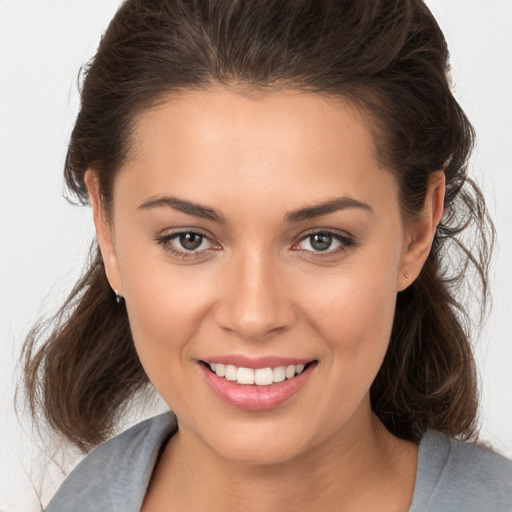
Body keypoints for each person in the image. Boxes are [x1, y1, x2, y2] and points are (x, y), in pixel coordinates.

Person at [20, 0, 512, 510]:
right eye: (189, 239)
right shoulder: (85, 497)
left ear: (417, 231)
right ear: (107, 227)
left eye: (322, 240)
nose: (254, 315)